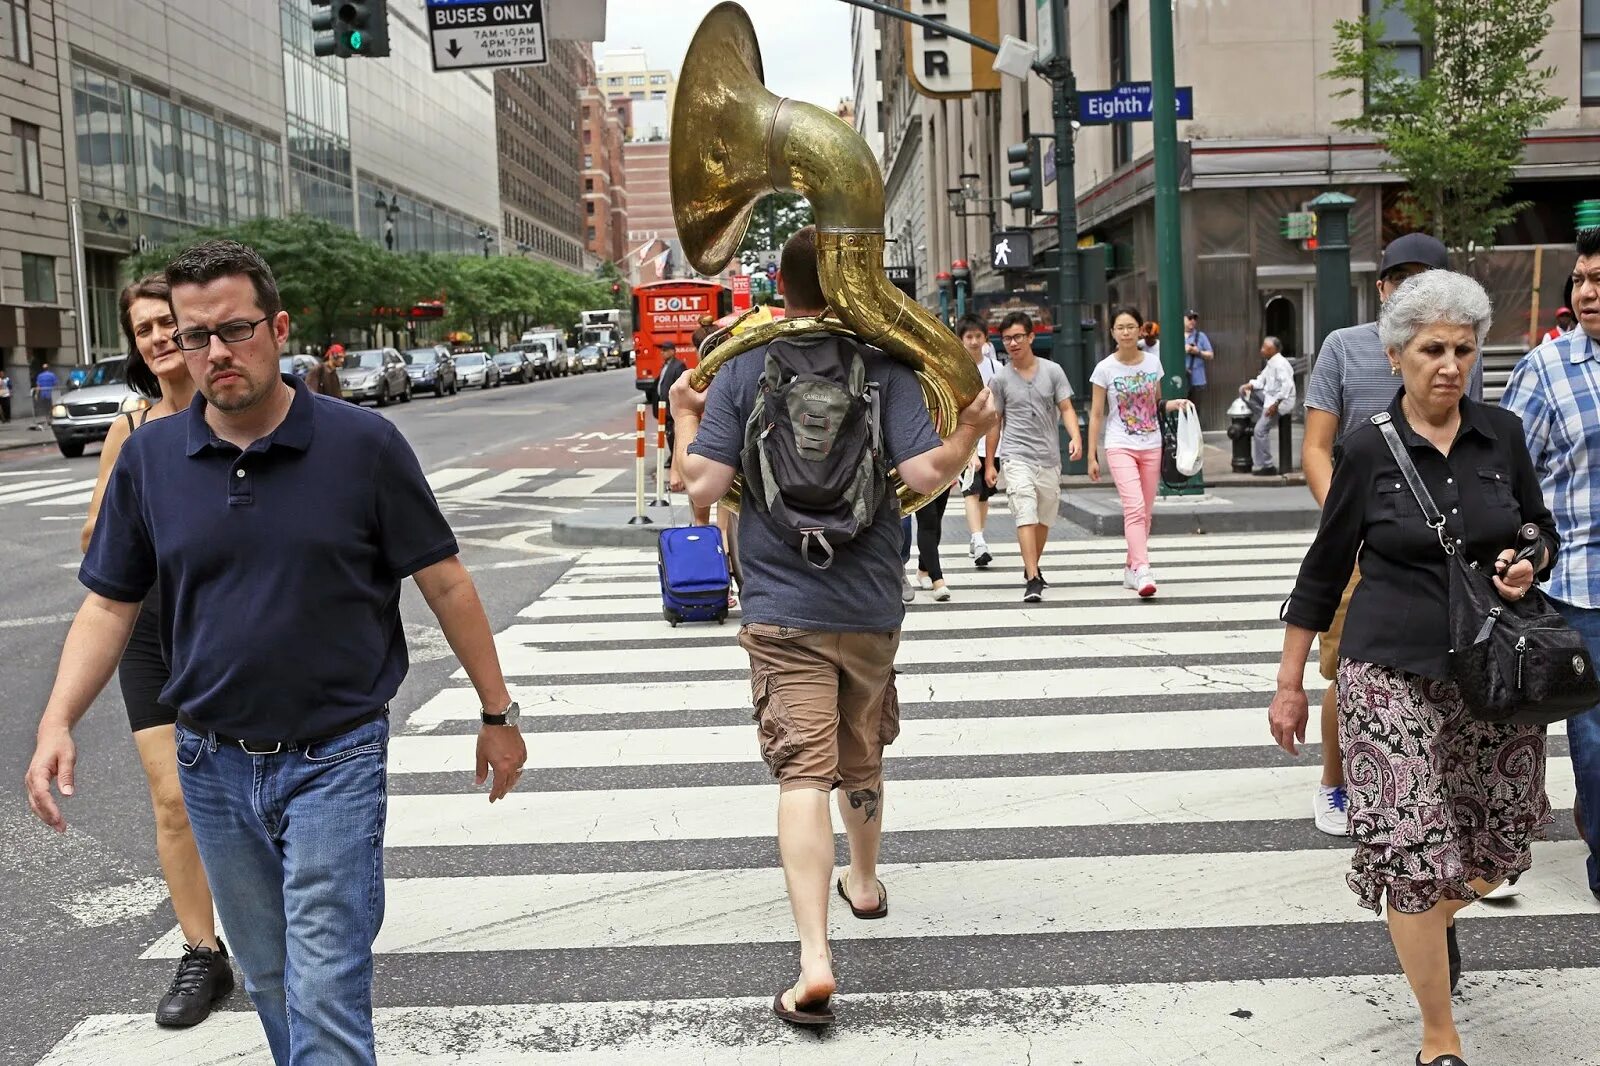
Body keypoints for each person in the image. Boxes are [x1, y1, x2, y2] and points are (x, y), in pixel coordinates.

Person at [24, 240, 528, 1066]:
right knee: (266, 975)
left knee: (324, 988)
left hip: (335, 756)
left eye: (235, 329)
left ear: (279, 328)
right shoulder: (150, 457)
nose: (216, 352)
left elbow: (445, 582)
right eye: (195, 336)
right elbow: (111, 603)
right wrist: (58, 720)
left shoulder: (363, 444)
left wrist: (497, 712)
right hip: (211, 763)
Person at [671, 225, 995, 1028]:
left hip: (783, 606)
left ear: (782, 289)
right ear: (855, 285)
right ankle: (865, 881)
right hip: (870, 600)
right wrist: (970, 429)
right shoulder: (888, 365)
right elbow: (924, 475)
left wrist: (684, 414)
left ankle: (815, 961)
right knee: (862, 754)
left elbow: (700, 488)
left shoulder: (744, 364)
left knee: (801, 776)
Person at [1271, 270, 1555, 1066]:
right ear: (1397, 354)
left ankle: (1430, 922)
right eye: (1432, 348)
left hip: (1491, 675)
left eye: (1465, 349)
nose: (1450, 364)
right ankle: (1440, 1038)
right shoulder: (1365, 450)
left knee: (1498, 843)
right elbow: (1321, 573)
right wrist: (1291, 684)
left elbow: (1539, 527)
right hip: (1387, 669)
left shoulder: (1501, 434)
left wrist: (1529, 560)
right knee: (1410, 848)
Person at [68, 275, 234, 1027]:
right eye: (145, 331)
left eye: (169, 323)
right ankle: (203, 954)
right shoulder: (132, 428)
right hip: (150, 630)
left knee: (253, 796)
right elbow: (98, 537)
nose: (161, 339)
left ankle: (280, 932)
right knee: (172, 798)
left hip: (226, 625)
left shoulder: (233, 406)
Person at [1300, 232, 1483, 838]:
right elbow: (1317, 449)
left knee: (1454, 664)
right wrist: (1350, 524)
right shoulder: (1345, 348)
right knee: (1349, 667)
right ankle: (1336, 781)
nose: (1408, 287)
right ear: (1380, 288)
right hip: (1361, 538)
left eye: (1423, 276)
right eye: (1398, 277)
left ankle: (1441, 788)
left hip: (1445, 545)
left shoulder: (1456, 351)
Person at [1500, 225, 1600, 907]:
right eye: (1581, 281)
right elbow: (1509, 476)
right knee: (1591, 737)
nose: (1588, 293)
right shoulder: (1549, 368)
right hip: (1579, 587)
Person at [1087, 306, 1195, 598]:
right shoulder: (1105, 368)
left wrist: (1174, 405)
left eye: (1131, 327)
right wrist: (1091, 455)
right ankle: (1143, 568)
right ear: (1112, 333)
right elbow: (1097, 414)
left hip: (1151, 443)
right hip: (1119, 443)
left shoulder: (1152, 364)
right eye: (1120, 327)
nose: (1126, 332)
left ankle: (1130, 568)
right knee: (1133, 507)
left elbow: (1155, 403)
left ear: (1139, 330)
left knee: (1145, 513)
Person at [986, 312, 1083, 602]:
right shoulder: (1000, 379)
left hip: (1049, 457)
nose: (1012, 343)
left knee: (1043, 519)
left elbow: (1065, 408)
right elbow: (995, 421)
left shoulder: (1053, 371)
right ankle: (1032, 577)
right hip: (1016, 455)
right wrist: (991, 462)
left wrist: (1076, 436)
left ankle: (1032, 565)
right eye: (1007, 338)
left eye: (1018, 337)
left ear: (1030, 337)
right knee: (1024, 512)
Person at [954, 315, 1001, 567]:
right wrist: (969, 450)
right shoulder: (953, 368)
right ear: (961, 339)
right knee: (970, 492)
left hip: (992, 442)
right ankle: (978, 538)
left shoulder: (996, 369)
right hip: (965, 441)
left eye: (978, 337)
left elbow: (998, 413)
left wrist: (991, 458)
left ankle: (977, 538)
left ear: (985, 339)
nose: (973, 341)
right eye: (968, 337)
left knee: (984, 495)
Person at [661, 341, 714, 527]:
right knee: (720, 524)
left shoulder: (697, 383)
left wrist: (676, 470)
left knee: (701, 520)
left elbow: (685, 432)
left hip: (703, 455)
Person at [1239, 336, 1296, 475]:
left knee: (1259, 431)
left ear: (1273, 349)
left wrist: (1276, 405)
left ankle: (1267, 465)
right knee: (1244, 391)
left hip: (1280, 403)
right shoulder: (1270, 363)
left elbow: (1287, 386)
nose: (1261, 350)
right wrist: (1249, 385)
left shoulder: (1280, 364)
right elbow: (1261, 381)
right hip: (1269, 398)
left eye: (1265, 347)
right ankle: (1262, 416)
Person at [1183, 309, 1213, 406]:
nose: (1193, 321)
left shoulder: (1201, 336)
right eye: (1190, 318)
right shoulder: (1176, 336)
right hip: (1181, 379)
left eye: (1195, 318)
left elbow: (1211, 355)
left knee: (1196, 410)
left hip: (1197, 380)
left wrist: (1198, 352)